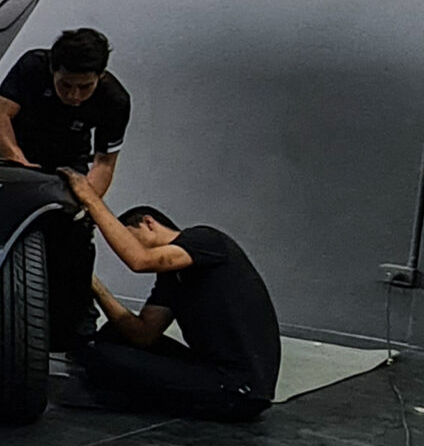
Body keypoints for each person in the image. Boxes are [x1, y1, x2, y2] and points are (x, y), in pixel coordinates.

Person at [59, 170, 280, 421]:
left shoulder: (205, 240)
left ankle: (128, 396)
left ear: (149, 223)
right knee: (112, 335)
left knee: (100, 357)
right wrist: (93, 283)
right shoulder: (171, 278)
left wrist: (89, 198)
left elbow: (140, 260)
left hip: (240, 387)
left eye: (131, 238)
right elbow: (142, 334)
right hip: (210, 371)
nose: (129, 247)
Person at [0, 28, 131, 351]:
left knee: (75, 240)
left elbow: (104, 163)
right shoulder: (32, 66)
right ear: (53, 69)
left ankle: (74, 334)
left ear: (100, 77)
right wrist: (19, 163)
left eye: (85, 87)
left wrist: (84, 203)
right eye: (65, 85)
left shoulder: (115, 100)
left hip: (69, 166)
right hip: (16, 157)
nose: (74, 95)